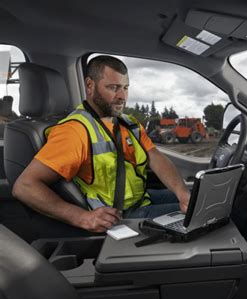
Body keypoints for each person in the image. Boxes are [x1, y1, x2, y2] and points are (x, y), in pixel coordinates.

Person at [12, 55, 190, 233]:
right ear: (90, 85)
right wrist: (81, 217)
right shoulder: (74, 130)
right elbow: (25, 186)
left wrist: (181, 193)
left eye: (125, 88)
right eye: (113, 88)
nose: (122, 96)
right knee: (202, 215)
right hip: (121, 217)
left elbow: (155, 157)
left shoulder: (129, 123)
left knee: (201, 200)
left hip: (140, 199)